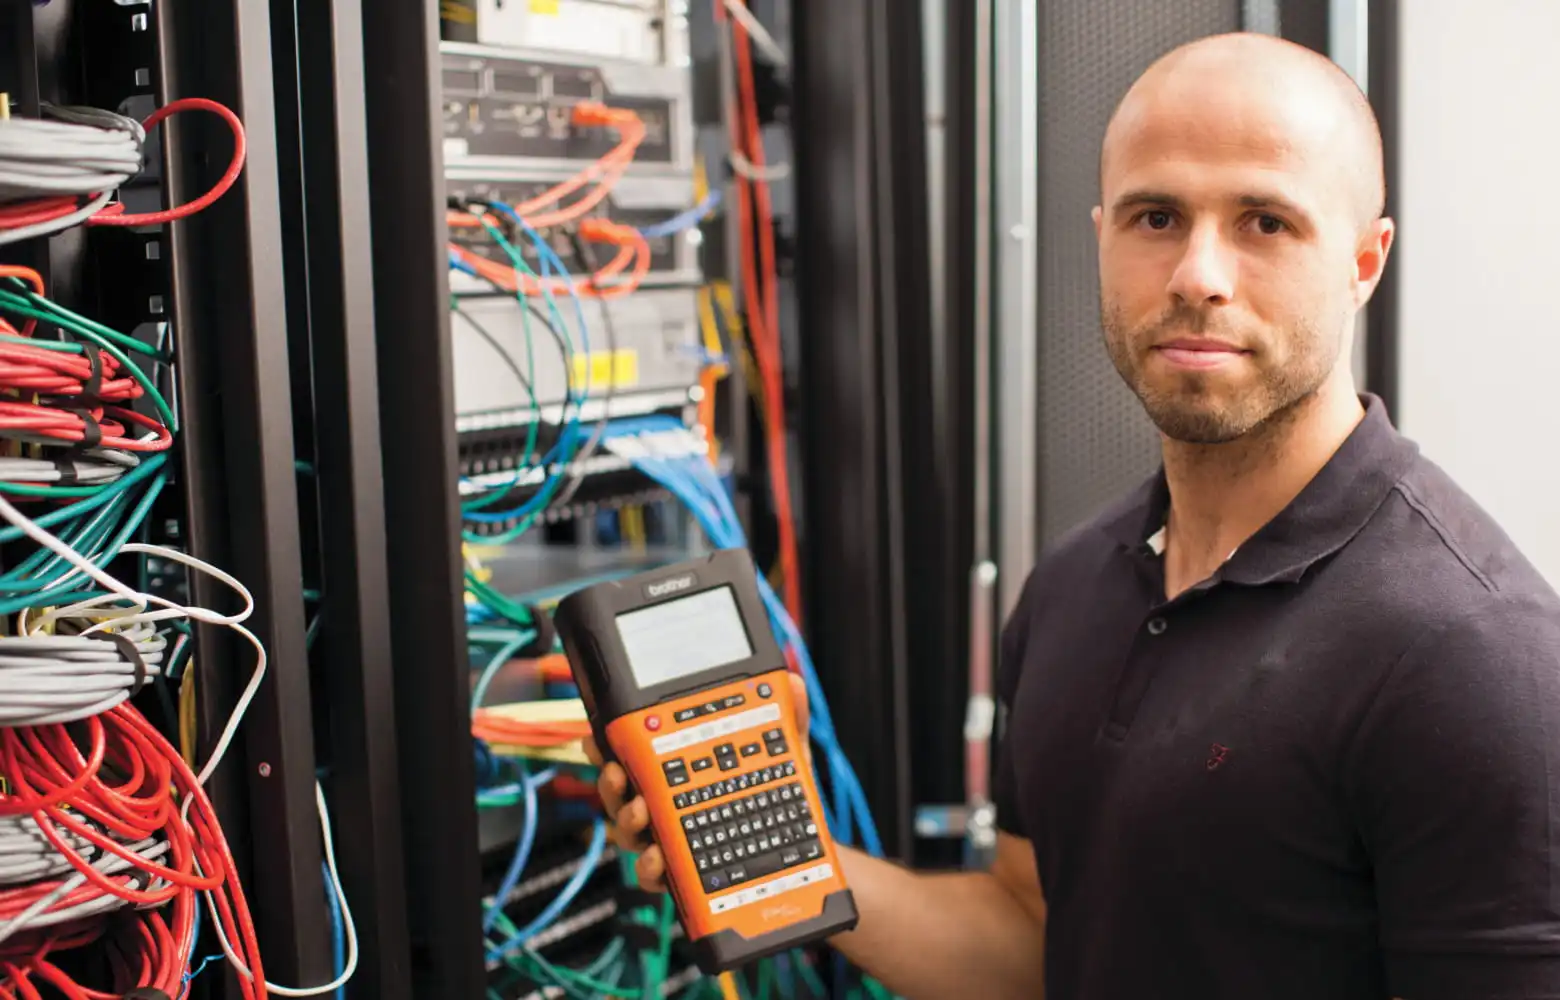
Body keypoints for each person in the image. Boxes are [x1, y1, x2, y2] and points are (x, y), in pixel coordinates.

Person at [585, 31, 1560, 999]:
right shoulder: (1075, 584)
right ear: (1102, 236)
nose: (1197, 274)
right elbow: (1031, 935)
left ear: (1363, 261)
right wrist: (776, 851)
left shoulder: (1471, 651)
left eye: (1265, 222)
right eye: (1157, 217)